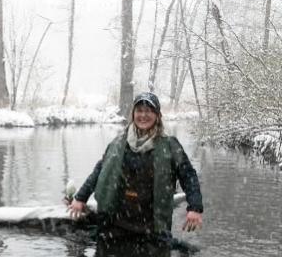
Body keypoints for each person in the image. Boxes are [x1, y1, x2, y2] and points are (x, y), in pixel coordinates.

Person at [69, 92, 203, 243]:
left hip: (153, 226)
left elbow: (189, 176)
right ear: (133, 114)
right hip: (114, 223)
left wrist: (195, 207)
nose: (143, 115)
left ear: (157, 115)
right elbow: (99, 170)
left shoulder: (170, 145)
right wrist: (80, 197)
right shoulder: (118, 143)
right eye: (139, 110)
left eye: (149, 111)